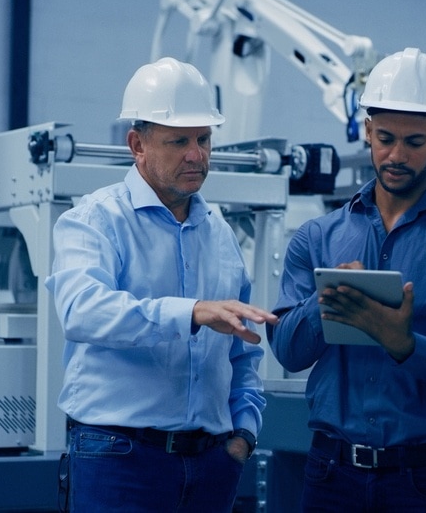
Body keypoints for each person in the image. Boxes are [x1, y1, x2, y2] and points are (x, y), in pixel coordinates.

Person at [268, 47, 426, 513]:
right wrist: (324, 305)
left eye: (415, 142)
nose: (396, 155)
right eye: (384, 138)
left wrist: (402, 342)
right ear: (367, 130)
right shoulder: (317, 238)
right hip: (330, 474)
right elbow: (286, 348)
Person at [45, 57, 278, 512]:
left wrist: (245, 434)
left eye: (204, 139)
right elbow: (82, 310)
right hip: (119, 460)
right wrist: (189, 312)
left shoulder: (222, 234)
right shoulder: (94, 220)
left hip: (213, 463)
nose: (196, 154)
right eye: (178, 141)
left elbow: (243, 352)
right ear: (138, 144)